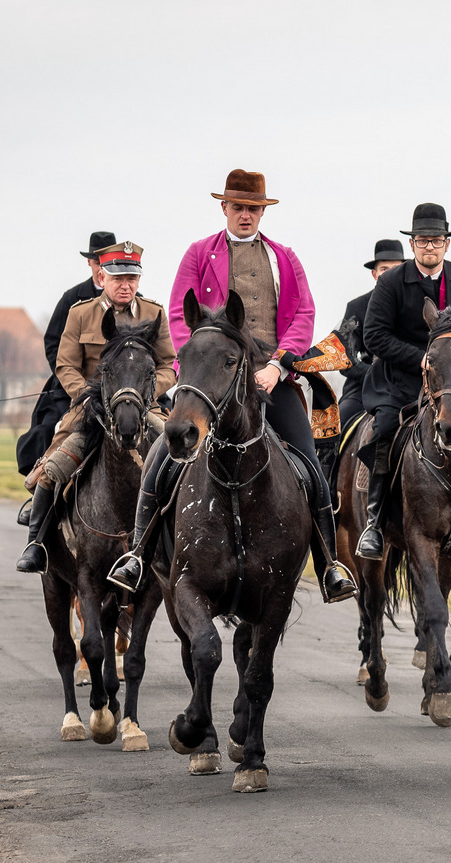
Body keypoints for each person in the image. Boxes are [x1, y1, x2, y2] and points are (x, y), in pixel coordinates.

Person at [106, 169, 356, 603]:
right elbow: (182, 319)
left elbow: (303, 315)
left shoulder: (285, 258)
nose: (245, 215)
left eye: (253, 208)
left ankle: (329, 564)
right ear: (224, 208)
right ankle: (138, 553)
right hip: (212, 379)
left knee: (310, 463)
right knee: (163, 455)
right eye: (238, 207)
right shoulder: (199, 253)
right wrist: (198, 368)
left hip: (270, 379)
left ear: (262, 212)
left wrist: (278, 365)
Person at [16, 241, 177, 573]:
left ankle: (182, 545)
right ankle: (36, 544)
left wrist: (145, 393)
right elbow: (65, 365)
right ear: (102, 276)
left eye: (132, 278)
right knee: (54, 464)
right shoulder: (80, 313)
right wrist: (88, 394)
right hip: (90, 408)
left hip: (143, 407)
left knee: (181, 456)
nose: (125, 285)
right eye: (118, 277)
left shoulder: (154, 314)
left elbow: (169, 365)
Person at [355, 205, 451, 560]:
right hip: (399, 381)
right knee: (383, 433)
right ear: (412, 245)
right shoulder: (392, 282)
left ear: (446, 244)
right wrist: (420, 358)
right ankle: (375, 522)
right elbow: (373, 335)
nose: (430, 247)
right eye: (423, 240)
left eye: (436, 240)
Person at [16, 231, 115, 502]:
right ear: (91, 264)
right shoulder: (72, 298)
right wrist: (72, 381)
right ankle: (40, 511)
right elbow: (52, 343)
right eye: (98, 261)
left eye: (108, 261)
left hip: (122, 388)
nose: (102, 267)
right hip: (74, 388)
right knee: (49, 430)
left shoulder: (134, 299)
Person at [314, 238, 406, 480]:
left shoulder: (415, 305)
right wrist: (373, 373)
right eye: (385, 269)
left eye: (397, 268)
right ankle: (327, 495)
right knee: (334, 427)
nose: (391, 273)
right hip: (363, 386)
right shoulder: (357, 306)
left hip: (408, 384)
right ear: (375, 273)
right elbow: (342, 354)